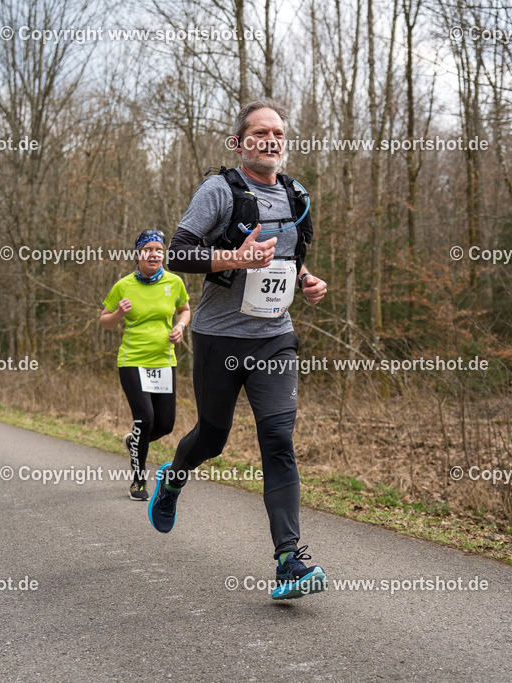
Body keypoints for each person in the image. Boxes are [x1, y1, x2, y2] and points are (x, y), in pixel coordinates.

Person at [151, 99, 329, 600]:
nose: (271, 140)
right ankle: (173, 478)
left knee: (278, 438)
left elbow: (290, 261)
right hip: (219, 336)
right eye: (259, 133)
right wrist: (235, 257)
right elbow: (179, 252)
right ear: (240, 143)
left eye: (278, 133)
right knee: (213, 437)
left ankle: (289, 562)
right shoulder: (220, 190)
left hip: (275, 337)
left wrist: (306, 280)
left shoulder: (297, 196)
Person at [101, 229, 191, 501]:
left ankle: (134, 442)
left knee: (165, 424)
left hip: (164, 361)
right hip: (133, 361)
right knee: (145, 418)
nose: (154, 254)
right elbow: (105, 321)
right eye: (148, 249)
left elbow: (185, 309)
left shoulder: (174, 282)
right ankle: (138, 481)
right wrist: (118, 313)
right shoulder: (124, 285)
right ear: (138, 254)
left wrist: (181, 326)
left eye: (158, 250)